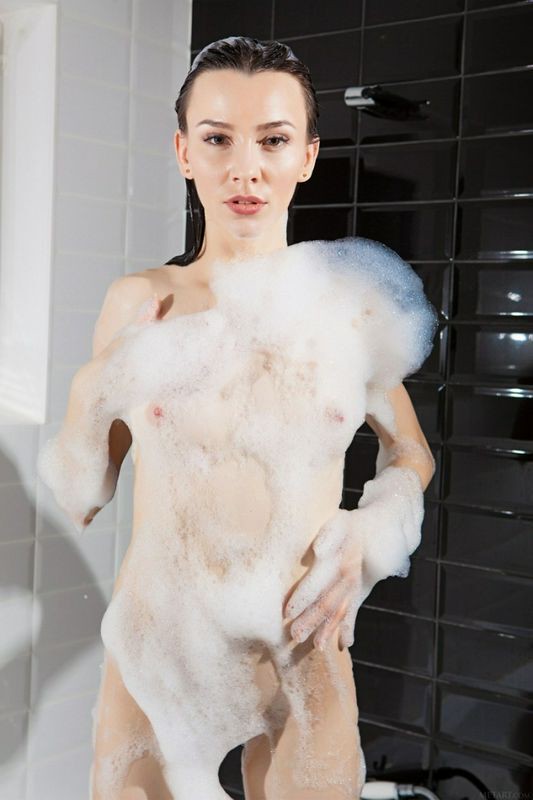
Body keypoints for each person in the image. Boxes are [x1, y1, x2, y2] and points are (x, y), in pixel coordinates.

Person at [37, 36, 437, 800]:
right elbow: (83, 496)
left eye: (272, 140)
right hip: (159, 648)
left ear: (307, 156)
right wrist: (95, 388)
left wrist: (371, 530)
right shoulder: (140, 303)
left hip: (301, 644)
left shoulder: (348, 313)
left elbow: (410, 453)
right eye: (218, 139)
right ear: (183, 152)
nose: (244, 169)